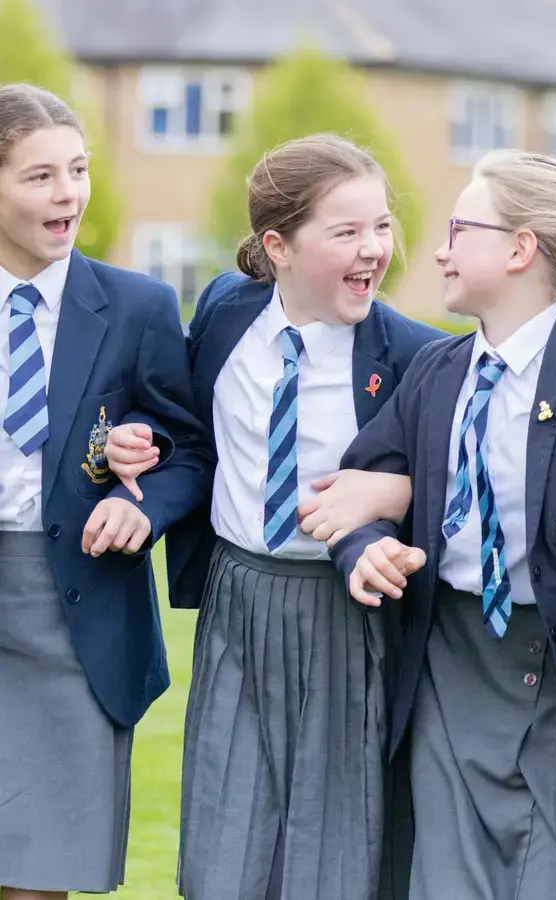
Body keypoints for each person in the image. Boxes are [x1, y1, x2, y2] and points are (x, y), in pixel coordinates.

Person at [103, 133, 444, 900]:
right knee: (224, 838)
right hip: (236, 600)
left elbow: (453, 477)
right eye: (347, 231)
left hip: (346, 615)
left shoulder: (415, 356)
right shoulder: (226, 314)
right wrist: (139, 443)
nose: (375, 249)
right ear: (277, 246)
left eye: (382, 226)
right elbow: (183, 425)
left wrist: (393, 505)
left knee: (334, 850)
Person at [329, 149, 556, 899]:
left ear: (519, 248)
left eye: (458, 228)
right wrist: (363, 550)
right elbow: (357, 492)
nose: (438, 248)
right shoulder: (436, 373)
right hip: (447, 663)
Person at [0, 82, 207, 899]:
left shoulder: (137, 307)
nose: (69, 194)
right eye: (42, 176)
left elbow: (187, 448)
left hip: (73, 620)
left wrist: (140, 497)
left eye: (78, 171)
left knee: (42, 870)